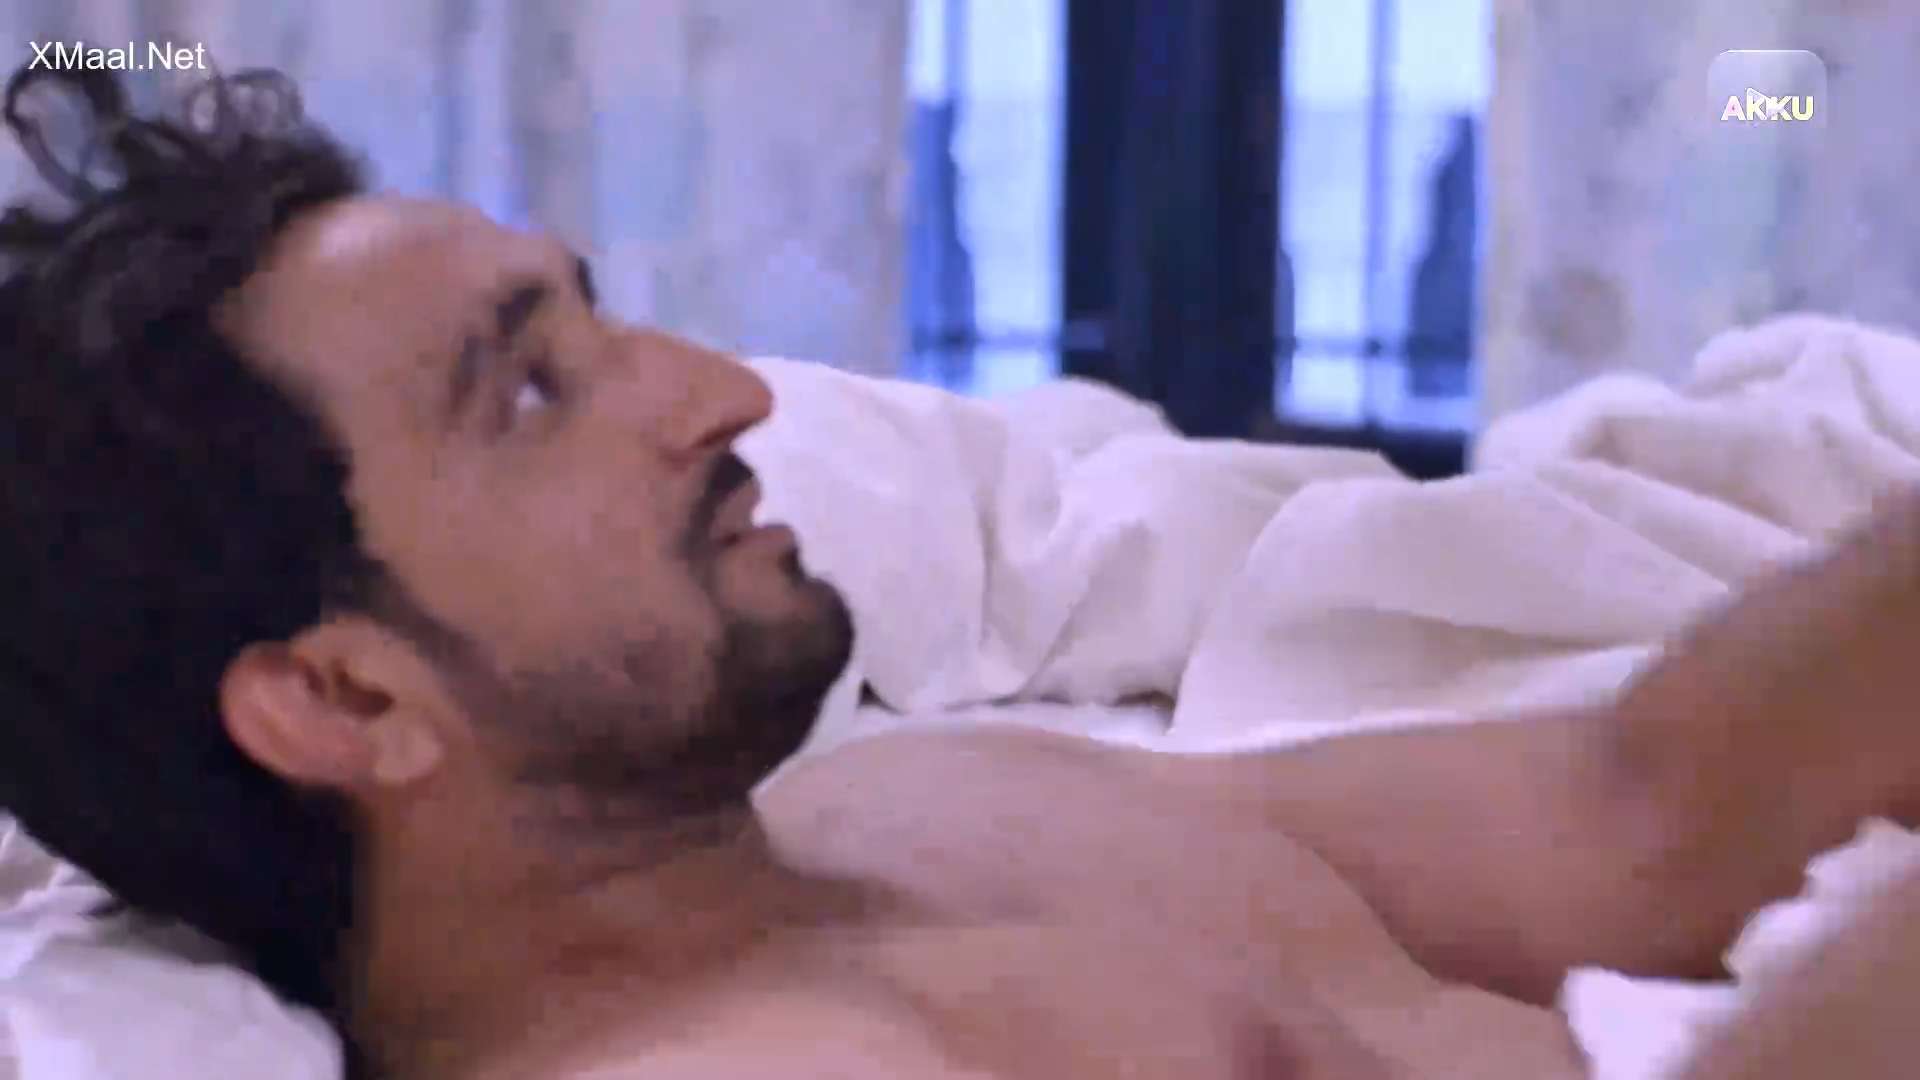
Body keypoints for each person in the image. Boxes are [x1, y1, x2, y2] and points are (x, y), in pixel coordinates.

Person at [0, 62, 1915, 1079]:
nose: (723, 392)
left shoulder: (930, 808)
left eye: (600, 319)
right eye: (530, 393)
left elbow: (1634, 813)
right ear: (343, 695)